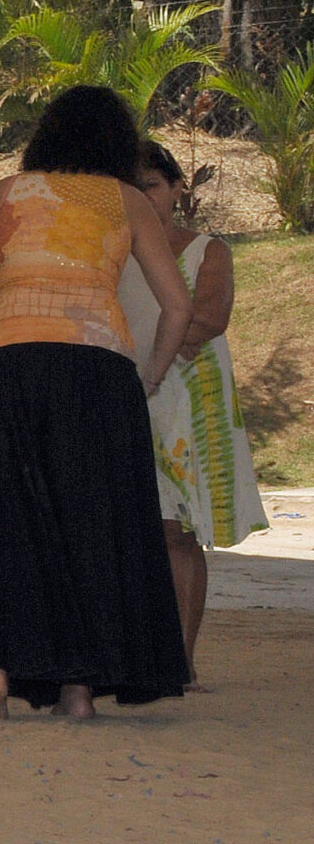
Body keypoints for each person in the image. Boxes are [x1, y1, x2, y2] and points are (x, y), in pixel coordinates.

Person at [0, 86, 193, 719]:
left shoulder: (6, 192)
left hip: (10, 363)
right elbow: (178, 305)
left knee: (3, 516)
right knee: (91, 521)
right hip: (97, 368)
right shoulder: (128, 200)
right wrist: (151, 373)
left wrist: (21, 309)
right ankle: (79, 688)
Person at [124, 143, 265, 663]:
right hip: (120, 394)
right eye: (133, 189)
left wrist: (154, 344)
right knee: (125, 531)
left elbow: (209, 318)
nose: (144, 198)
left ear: (177, 188)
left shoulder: (208, 250)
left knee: (177, 531)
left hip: (185, 404)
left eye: (152, 186)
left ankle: (180, 660)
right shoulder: (108, 255)